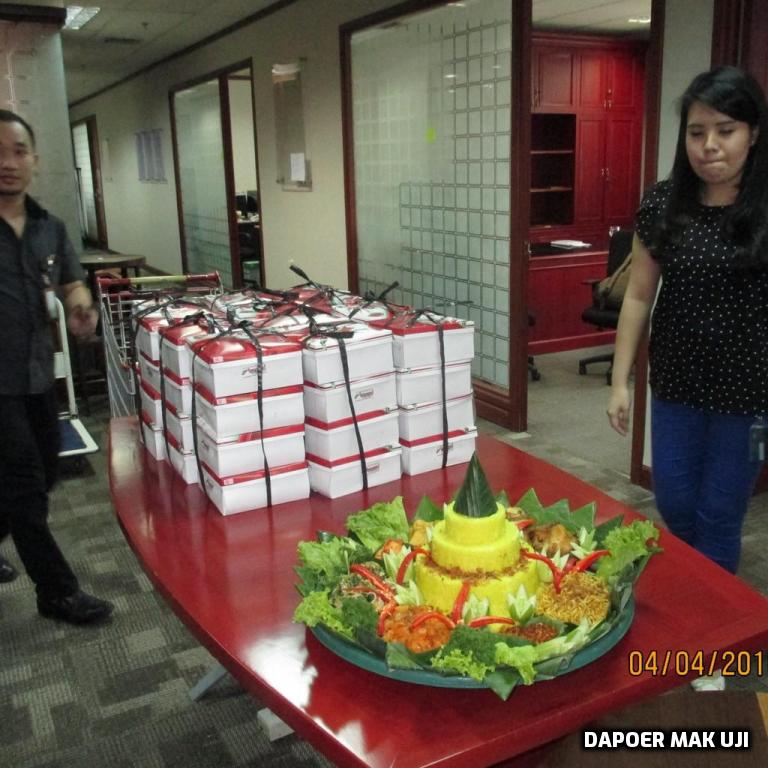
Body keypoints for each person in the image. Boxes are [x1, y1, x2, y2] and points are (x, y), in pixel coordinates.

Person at [607, 66, 768, 688]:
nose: (710, 146)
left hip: (753, 400)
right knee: (674, 501)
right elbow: (638, 297)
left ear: (752, 133)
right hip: (675, 386)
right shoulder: (663, 203)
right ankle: (702, 600)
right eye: (698, 131)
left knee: (722, 512)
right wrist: (621, 381)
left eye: (725, 130)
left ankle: (713, 642)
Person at [0, 109, 113, 624]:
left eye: (18, 151)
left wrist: (80, 304)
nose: (8, 163)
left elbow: (70, 280)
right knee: (25, 485)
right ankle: (57, 592)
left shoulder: (50, 227)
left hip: (36, 375)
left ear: (35, 161)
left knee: (45, 472)